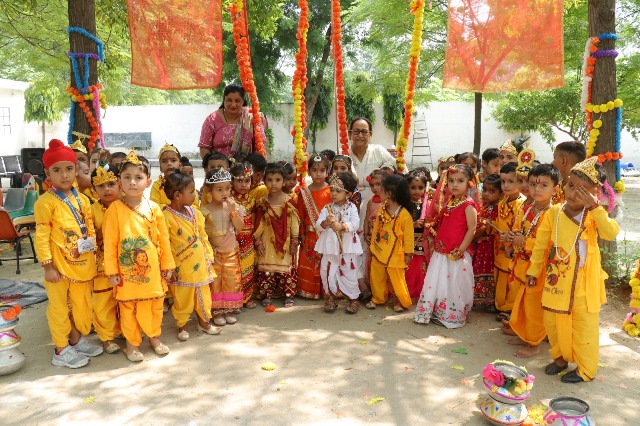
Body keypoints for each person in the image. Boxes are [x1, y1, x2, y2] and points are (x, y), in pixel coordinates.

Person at [526, 158, 619, 383]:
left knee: (582, 325)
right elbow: (541, 244)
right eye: (570, 186)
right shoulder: (554, 212)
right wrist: (534, 270)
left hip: (583, 283)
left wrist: (596, 207)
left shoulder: (594, 214)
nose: (573, 193)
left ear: (594, 192)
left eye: (583, 190)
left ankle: (585, 369)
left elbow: (610, 233)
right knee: (553, 321)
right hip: (556, 279)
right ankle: (559, 358)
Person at [34, 139, 103, 368]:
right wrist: (47, 266)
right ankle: (60, 349)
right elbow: (42, 236)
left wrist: (92, 256)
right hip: (58, 267)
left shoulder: (83, 199)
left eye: (69, 169)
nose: (64, 175)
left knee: (80, 305)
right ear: (47, 172)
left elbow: (90, 229)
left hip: (81, 264)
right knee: (60, 307)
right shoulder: (45, 203)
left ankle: (75, 340)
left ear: (76, 170)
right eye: (57, 170)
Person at [103, 150, 175, 362]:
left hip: (152, 269)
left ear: (148, 182)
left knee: (154, 304)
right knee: (128, 308)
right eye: (127, 177)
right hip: (127, 273)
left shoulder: (154, 209)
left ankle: (154, 338)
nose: (132, 182)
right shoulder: (114, 210)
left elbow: (164, 240)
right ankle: (132, 344)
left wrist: (168, 265)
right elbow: (110, 243)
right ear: (119, 181)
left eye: (138, 178)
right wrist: (112, 271)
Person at [414, 165, 477, 328]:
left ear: (469, 183)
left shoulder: (469, 205)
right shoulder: (450, 201)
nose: (455, 185)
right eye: (451, 181)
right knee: (439, 281)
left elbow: (472, 229)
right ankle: (437, 311)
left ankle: (452, 315)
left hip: (456, 252)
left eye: (460, 181)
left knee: (454, 283)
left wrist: (461, 250)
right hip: (442, 252)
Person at [507, 163, 559, 358]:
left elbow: (549, 245)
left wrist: (525, 242)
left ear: (555, 189)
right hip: (521, 264)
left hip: (538, 268)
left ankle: (533, 343)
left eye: (543, 185)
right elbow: (520, 229)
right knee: (521, 302)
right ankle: (523, 334)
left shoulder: (553, 214)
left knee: (533, 306)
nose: (536, 189)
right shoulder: (527, 208)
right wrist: (512, 239)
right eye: (533, 184)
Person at [162, 172, 221, 340]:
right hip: (182, 267)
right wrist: (170, 266)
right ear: (178, 195)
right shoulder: (166, 216)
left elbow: (202, 235)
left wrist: (209, 254)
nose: (195, 195)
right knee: (183, 298)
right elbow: (165, 244)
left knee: (204, 295)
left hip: (200, 263)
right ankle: (183, 326)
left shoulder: (194, 212)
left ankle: (204, 323)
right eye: (192, 192)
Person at [201, 168, 245, 326]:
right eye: (219, 189)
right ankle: (217, 311)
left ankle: (229, 309)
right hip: (214, 253)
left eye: (227, 188)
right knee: (216, 282)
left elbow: (240, 228)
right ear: (209, 190)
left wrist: (233, 212)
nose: (224, 192)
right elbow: (202, 233)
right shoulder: (204, 210)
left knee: (231, 280)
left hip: (231, 251)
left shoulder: (234, 207)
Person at [253, 163, 300, 308]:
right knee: (267, 267)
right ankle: (267, 294)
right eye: (270, 180)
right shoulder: (262, 202)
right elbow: (258, 224)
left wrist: (294, 240)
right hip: (267, 240)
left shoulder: (289, 202)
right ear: (264, 181)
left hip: (285, 241)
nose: (273, 184)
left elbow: (294, 222)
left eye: (278, 180)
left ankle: (288, 294)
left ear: (284, 181)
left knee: (285, 267)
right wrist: (258, 242)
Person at [315, 173, 362, 314]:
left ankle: (353, 299)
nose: (333, 193)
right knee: (326, 270)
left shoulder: (351, 207)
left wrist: (341, 226)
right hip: (329, 247)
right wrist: (326, 222)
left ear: (347, 193)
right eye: (332, 189)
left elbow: (355, 223)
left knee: (349, 272)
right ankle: (330, 297)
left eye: (338, 190)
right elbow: (318, 225)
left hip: (346, 247)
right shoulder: (327, 208)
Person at [368, 174, 414, 311]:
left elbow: (409, 237)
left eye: (381, 189)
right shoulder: (383, 208)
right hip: (379, 248)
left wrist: (408, 254)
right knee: (377, 276)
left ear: (389, 193)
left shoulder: (404, 215)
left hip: (396, 253)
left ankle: (399, 301)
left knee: (396, 279)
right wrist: (373, 244)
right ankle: (378, 298)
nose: (377, 191)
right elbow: (377, 226)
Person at [90, 165, 121, 354]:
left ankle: (126, 330)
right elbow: (87, 237)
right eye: (101, 186)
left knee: (124, 298)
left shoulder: (126, 205)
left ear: (119, 184)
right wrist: (102, 234)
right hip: (101, 264)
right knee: (103, 300)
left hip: (124, 262)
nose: (107, 189)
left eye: (111, 184)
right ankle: (107, 337)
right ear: (94, 190)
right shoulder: (91, 210)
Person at [347, 117, 395, 230]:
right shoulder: (343, 153)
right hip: (349, 203)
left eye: (364, 132)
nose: (360, 135)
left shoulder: (378, 150)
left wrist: (385, 170)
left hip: (376, 202)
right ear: (349, 134)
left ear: (370, 135)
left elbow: (397, 166)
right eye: (356, 131)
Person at [198, 84, 267, 158]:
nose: (233, 105)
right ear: (224, 100)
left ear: (243, 101)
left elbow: (261, 145)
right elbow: (204, 147)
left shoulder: (252, 117)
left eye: (237, 101)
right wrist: (211, 166)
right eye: (229, 100)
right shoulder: (212, 119)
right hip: (219, 167)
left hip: (246, 167)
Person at [296, 154, 331, 299]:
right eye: (315, 170)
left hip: (327, 234)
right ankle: (309, 291)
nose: (318, 174)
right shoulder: (303, 193)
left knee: (327, 263)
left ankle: (328, 291)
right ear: (309, 171)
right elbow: (301, 216)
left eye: (322, 170)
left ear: (327, 172)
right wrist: (302, 235)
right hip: (310, 236)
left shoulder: (332, 191)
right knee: (309, 263)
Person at [494, 161, 526, 316]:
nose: (505, 185)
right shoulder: (502, 202)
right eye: (503, 181)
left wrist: (510, 242)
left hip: (512, 247)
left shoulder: (522, 203)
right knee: (500, 275)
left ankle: (510, 308)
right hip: (500, 247)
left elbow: (520, 227)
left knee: (512, 279)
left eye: (511, 181)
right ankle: (500, 305)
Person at [230, 162, 258, 308]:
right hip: (233, 240)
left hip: (248, 240)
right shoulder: (229, 200)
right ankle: (235, 301)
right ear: (232, 181)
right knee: (234, 272)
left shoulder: (252, 200)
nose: (243, 184)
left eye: (247, 181)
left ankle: (247, 298)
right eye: (239, 180)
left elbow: (254, 220)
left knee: (247, 270)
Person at [472, 174, 501, 311]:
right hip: (480, 245)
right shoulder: (483, 206)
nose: (486, 194)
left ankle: (488, 301)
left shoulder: (499, 208)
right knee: (478, 268)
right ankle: (479, 299)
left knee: (487, 270)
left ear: (500, 194)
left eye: (492, 191)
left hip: (489, 246)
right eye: (485, 190)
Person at [361, 169, 387, 308]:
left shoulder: (388, 202)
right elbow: (366, 219)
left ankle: (384, 293)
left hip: (384, 239)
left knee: (383, 265)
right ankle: (373, 290)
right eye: (372, 185)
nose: (375, 188)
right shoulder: (371, 202)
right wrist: (366, 233)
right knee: (371, 264)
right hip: (371, 237)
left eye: (378, 184)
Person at [405, 170, 431, 302]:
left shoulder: (428, 204)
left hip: (422, 242)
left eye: (420, 187)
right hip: (408, 241)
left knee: (421, 268)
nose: (417, 191)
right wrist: (412, 225)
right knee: (410, 268)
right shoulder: (405, 205)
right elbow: (400, 224)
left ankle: (420, 293)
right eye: (413, 188)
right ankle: (407, 293)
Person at [151, 143, 199, 208]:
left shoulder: (188, 183)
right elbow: (154, 207)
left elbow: (195, 206)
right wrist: (172, 210)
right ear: (160, 167)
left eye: (173, 160)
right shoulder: (157, 185)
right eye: (164, 161)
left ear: (180, 165)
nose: (169, 164)